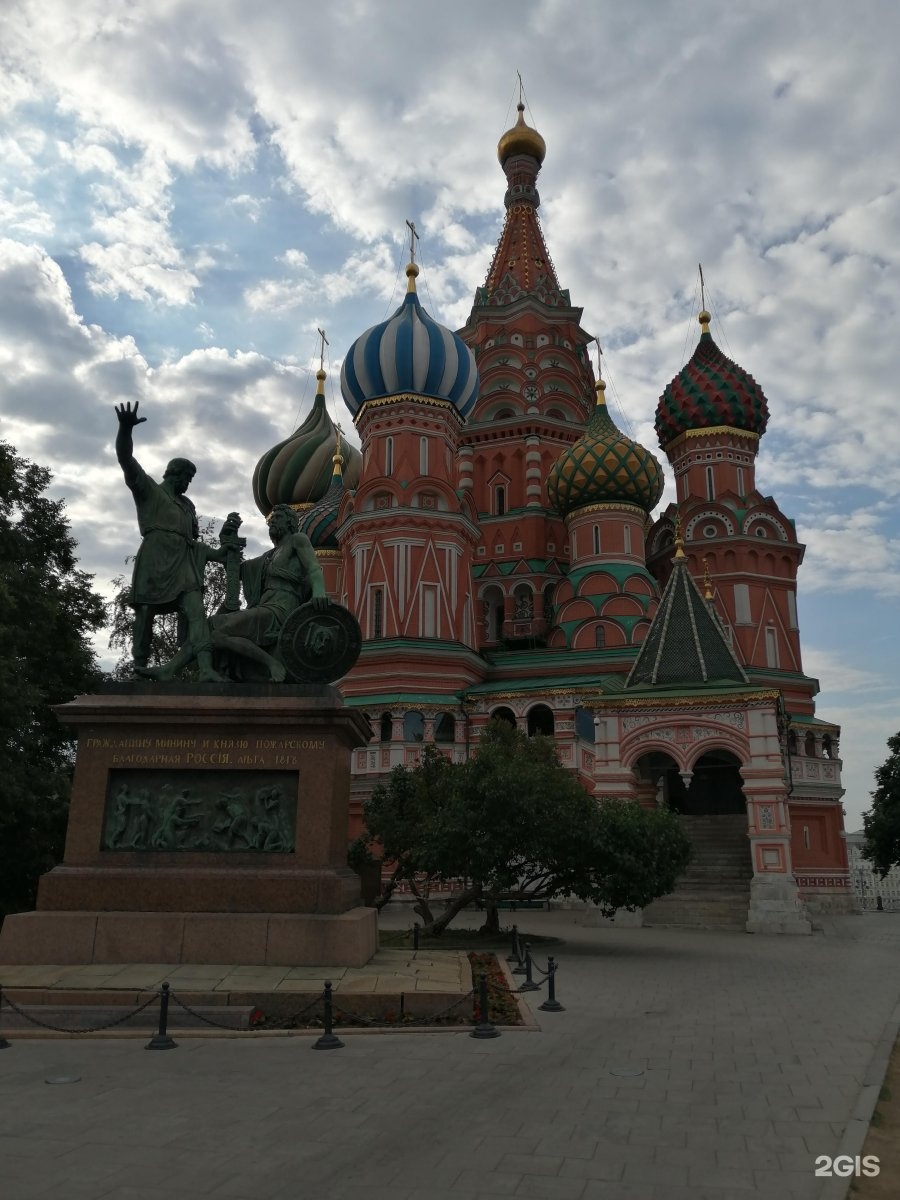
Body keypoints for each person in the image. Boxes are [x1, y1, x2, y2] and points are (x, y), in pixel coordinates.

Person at [115, 400, 224, 682]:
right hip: (155, 556)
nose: (188, 484)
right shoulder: (149, 490)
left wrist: (220, 553)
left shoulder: (187, 506)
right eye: (186, 477)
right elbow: (126, 461)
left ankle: (206, 669)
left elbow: (196, 543)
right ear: (172, 474)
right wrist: (125, 429)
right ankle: (140, 666)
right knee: (146, 612)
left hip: (183, 562)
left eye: (190, 479)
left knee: (196, 611)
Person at [210, 503, 329, 682]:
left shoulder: (298, 540)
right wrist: (228, 542)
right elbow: (236, 572)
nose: (272, 521)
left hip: (281, 609)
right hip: (264, 607)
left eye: (278, 518)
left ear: (290, 522)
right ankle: (268, 664)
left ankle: (273, 664)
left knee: (218, 631)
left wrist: (319, 591)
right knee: (212, 629)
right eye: (271, 519)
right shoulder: (268, 556)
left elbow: (313, 567)